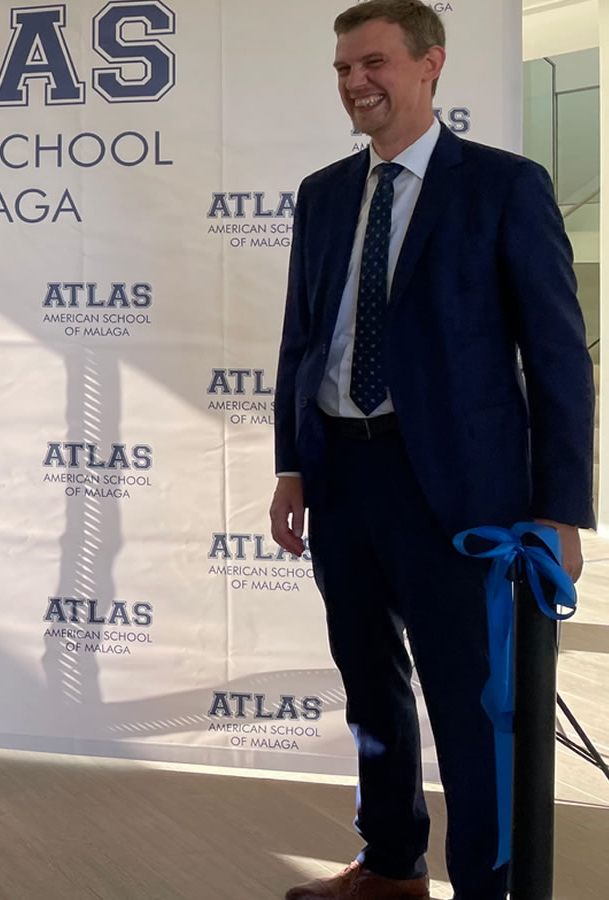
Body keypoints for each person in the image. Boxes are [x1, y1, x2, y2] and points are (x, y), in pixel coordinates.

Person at [270, 3, 593, 898]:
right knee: (369, 690)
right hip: (340, 474)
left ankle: (484, 888)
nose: (353, 82)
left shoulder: (503, 186)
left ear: (429, 65)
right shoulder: (322, 194)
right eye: (341, 68)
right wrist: (290, 466)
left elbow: (558, 356)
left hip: (458, 493)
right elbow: (302, 339)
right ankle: (388, 865)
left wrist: (558, 506)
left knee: (468, 703)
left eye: (371, 62)